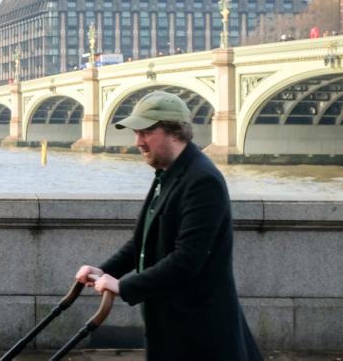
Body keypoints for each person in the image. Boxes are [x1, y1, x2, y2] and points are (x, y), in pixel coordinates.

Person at [75, 91, 262, 360]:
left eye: (146, 132)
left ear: (175, 131)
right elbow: (143, 241)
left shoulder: (202, 180)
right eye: (136, 132)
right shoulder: (168, 172)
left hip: (200, 330)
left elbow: (187, 259)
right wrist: (105, 270)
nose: (138, 141)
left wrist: (124, 287)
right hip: (171, 321)